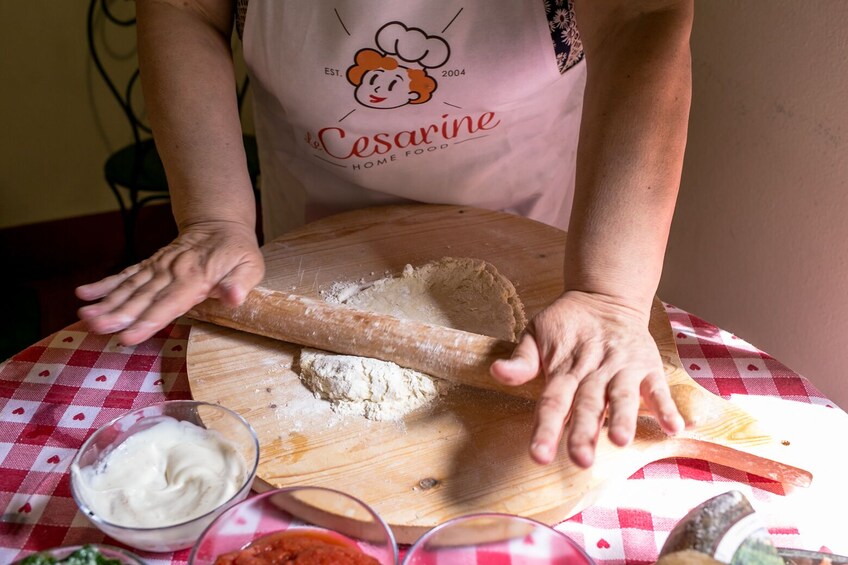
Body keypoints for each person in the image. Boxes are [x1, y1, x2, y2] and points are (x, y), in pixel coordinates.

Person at [76, 0, 693, 469]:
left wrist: (609, 292)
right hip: (312, 243)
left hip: (535, 249)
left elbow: (644, 16)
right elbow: (184, 8)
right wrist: (215, 216)